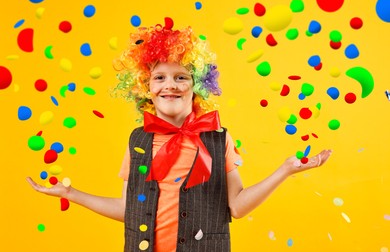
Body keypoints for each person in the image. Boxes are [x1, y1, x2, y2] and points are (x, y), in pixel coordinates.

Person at [27, 19, 332, 252]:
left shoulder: (216, 137)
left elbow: (236, 207)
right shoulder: (137, 141)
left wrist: (286, 170)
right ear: (145, 86)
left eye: (181, 77)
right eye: (159, 77)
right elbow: (127, 210)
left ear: (197, 84)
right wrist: (72, 195)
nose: (169, 85)